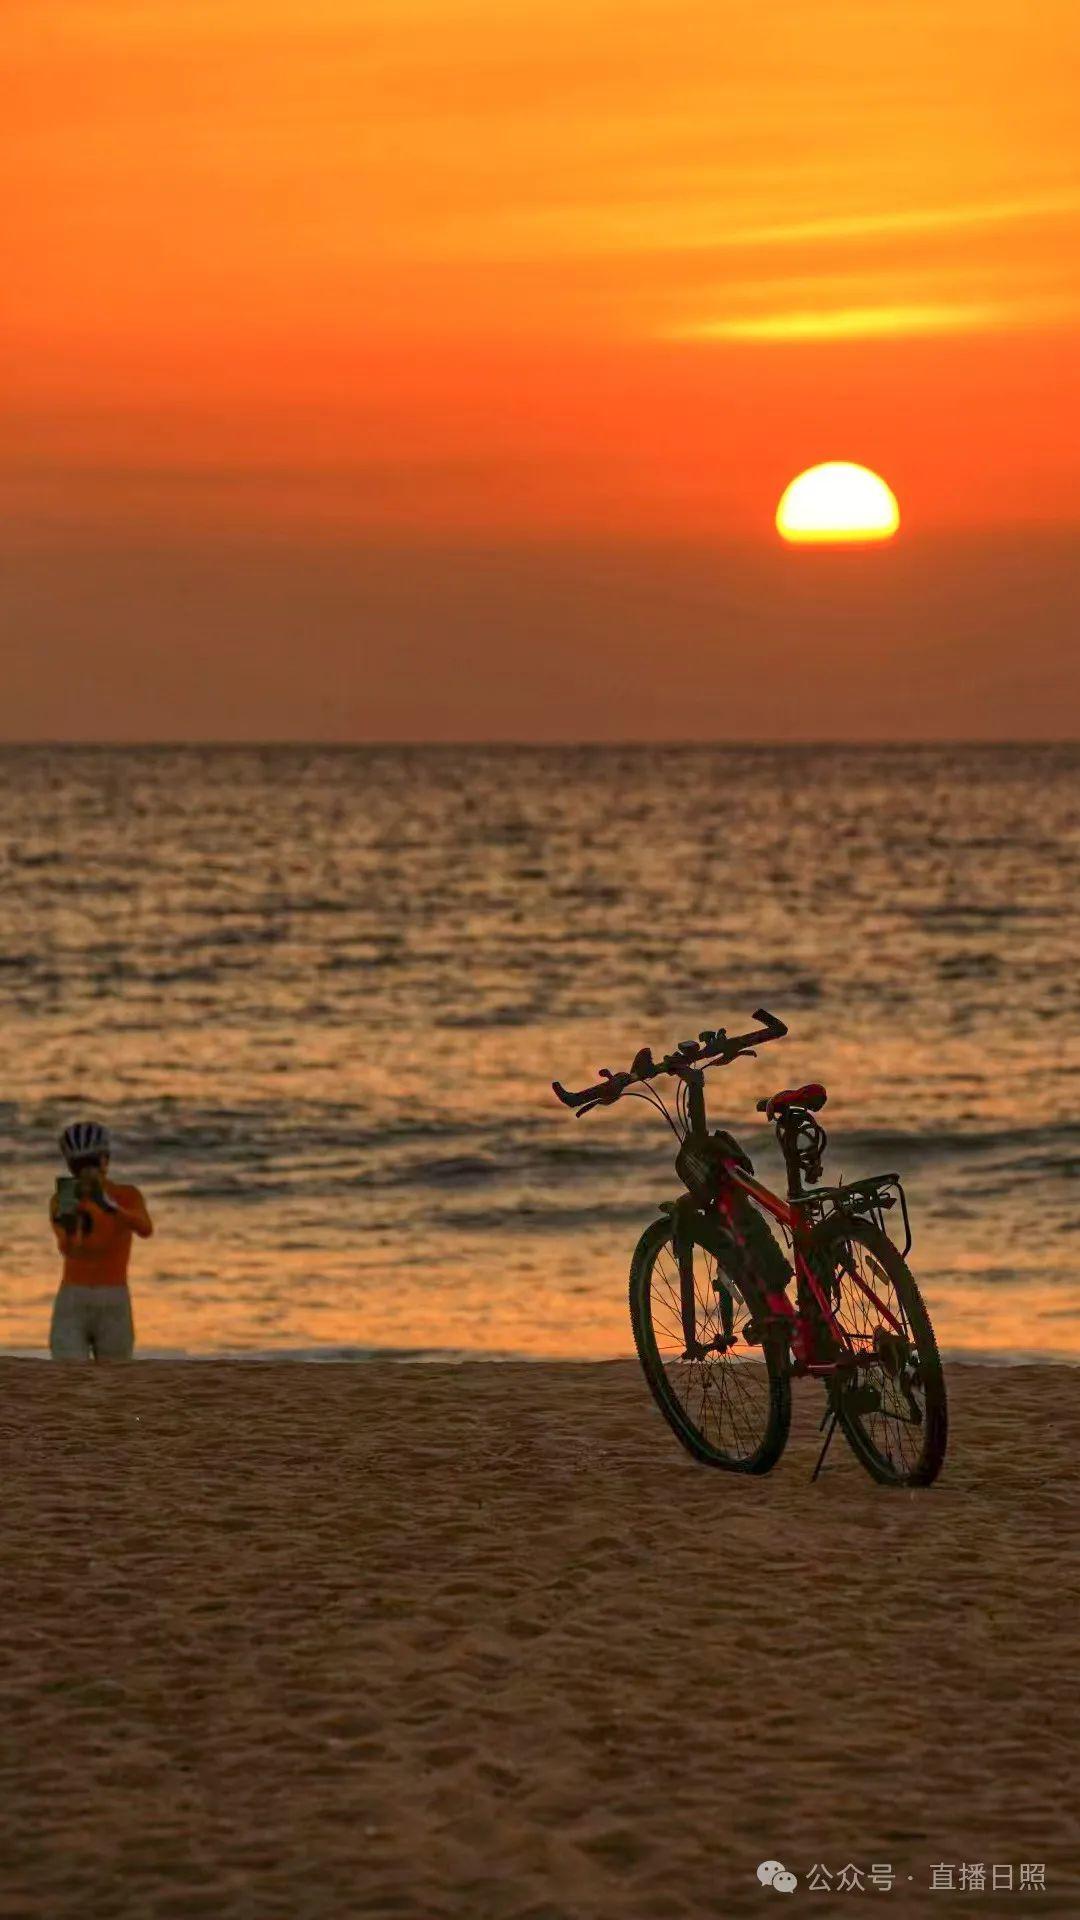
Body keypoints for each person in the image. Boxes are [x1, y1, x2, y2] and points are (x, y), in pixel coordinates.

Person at [48, 1121, 153, 1361]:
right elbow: (69, 1249)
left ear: (105, 1161)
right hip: (74, 1297)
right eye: (79, 1166)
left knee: (115, 1378)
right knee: (68, 1373)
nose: (86, 1172)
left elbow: (145, 1229)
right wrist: (73, 1224)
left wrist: (111, 1207)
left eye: (92, 1163)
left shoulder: (126, 1195)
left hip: (114, 1296)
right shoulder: (63, 1199)